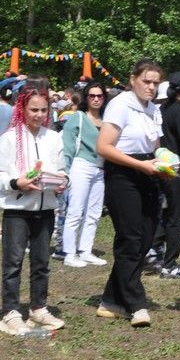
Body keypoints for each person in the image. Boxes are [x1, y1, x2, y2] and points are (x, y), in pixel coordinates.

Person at [95, 58, 172, 327]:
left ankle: (110, 300)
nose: (151, 87)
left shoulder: (153, 109)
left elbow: (156, 146)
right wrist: (140, 165)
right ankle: (136, 304)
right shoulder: (120, 105)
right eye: (146, 81)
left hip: (148, 172)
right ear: (133, 79)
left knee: (147, 236)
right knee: (130, 238)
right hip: (123, 174)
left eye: (155, 83)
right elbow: (103, 147)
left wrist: (165, 164)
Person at [0, 88, 68, 335]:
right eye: (34, 109)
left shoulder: (54, 137)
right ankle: (10, 312)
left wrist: (62, 181)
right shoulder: (9, 138)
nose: (39, 115)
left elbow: (61, 168)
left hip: (45, 209)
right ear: (22, 109)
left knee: (41, 262)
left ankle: (38, 308)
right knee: (13, 262)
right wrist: (17, 183)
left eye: (44, 110)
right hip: (17, 209)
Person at [61, 80, 108, 267]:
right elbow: (68, 145)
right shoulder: (78, 117)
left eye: (99, 96)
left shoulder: (107, 119)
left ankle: (86, 250)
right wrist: (65, 171)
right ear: (86, 98)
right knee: (75, 210)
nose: (96, 99)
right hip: (81, 165)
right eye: (92, 96)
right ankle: (69, 253)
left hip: (100, 168)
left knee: (94, 212)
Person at [155, 71, 180, 279]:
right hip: (176, 170)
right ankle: (169, 263)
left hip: (161, 167)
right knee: (175, 216)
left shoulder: (163, 108)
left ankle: (154, 252)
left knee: (163, 213)